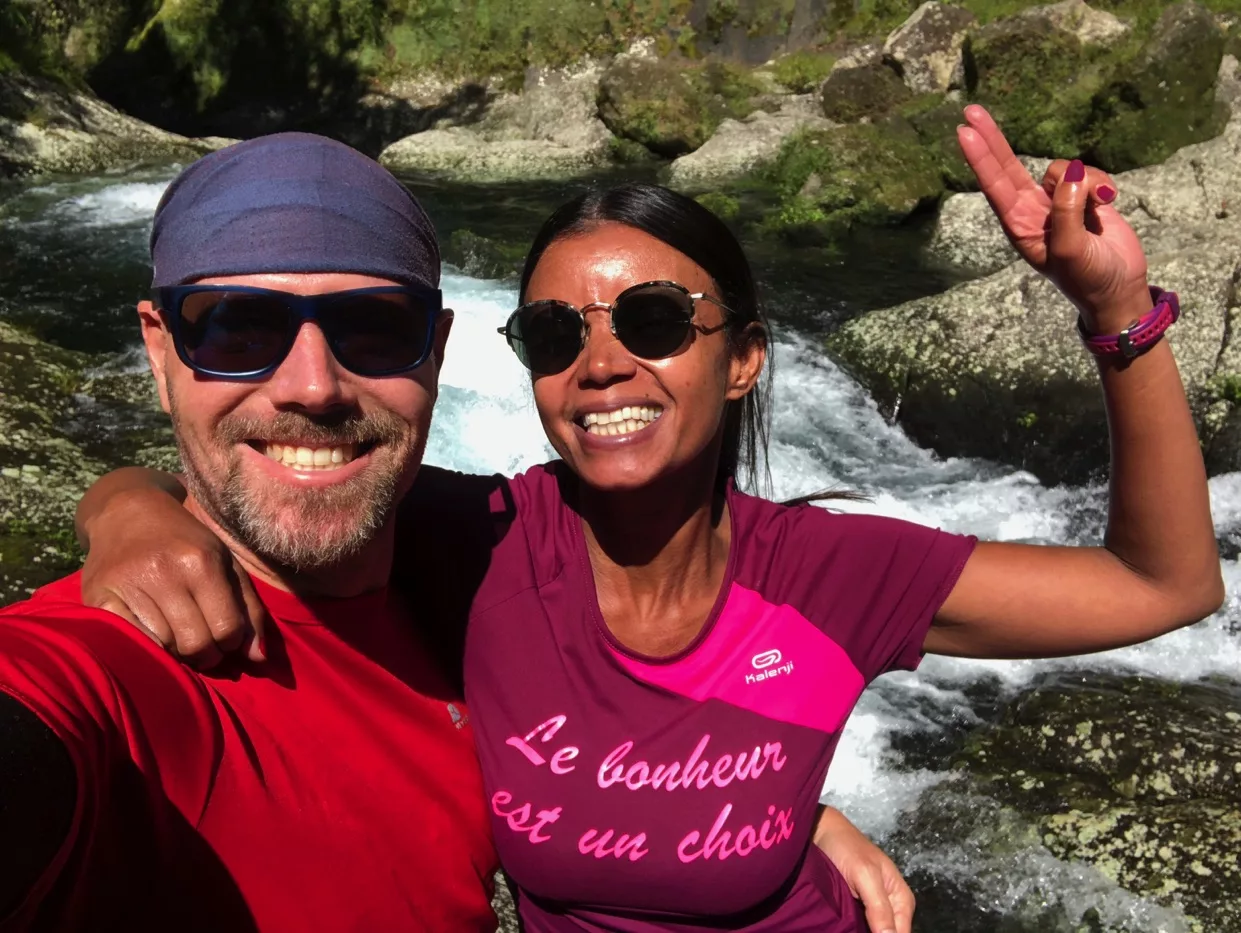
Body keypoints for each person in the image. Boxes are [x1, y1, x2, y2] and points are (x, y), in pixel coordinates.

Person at [71, 105, 1223, 931]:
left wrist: (1116, 312)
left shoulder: (830, 573)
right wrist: (123, 508)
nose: (605, 365)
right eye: (558, 337)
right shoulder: (471, 540)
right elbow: (276, 471)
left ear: (743, 362)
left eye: (658, 321)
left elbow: (1161, 586)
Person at [0, 133, 910, 932]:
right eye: (238, 328)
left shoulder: (482, 564)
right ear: (160, 351)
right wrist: (123, 502)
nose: (312, 386)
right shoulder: (108, 669)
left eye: (372, 326)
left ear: (436, 352)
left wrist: (783, 806)